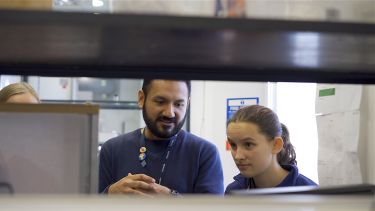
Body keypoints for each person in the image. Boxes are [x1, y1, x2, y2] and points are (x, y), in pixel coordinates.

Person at [99, 79, 224, 196]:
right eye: (160, 102)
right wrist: (109, 194)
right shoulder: (112, 150)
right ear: (141, 98)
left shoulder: (204, 153)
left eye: (179, 104)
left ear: (188, 104)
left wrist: (171, 198)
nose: (169, 113)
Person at [225, 105, 317, 193]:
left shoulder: (311, 194)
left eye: (248, 144)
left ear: (276, 145)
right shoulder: (234, 191)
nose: (238, 156)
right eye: (233, 145)